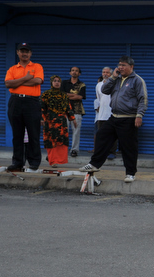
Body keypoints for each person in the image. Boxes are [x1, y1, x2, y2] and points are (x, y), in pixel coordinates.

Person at [80, 55, 147, 183]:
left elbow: (142, 99)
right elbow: (104, 90)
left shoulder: (137, 80)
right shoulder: (115, 79)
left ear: (131, 67)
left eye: (123, 65)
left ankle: (130, 173)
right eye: (119, 65)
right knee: (101, 135)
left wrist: (139, 115)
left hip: (129, 118)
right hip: (114, 117)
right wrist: (113, 77)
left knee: (129, 147)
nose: (120, 67)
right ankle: (95, 164)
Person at [4, 42, 44, 171]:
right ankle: (17, 162)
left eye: (27, 51)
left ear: (30, 53)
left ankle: (34, 162)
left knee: (33, 133)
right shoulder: (12, 69)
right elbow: (7, 84)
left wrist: (17, 82)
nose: (24, 53)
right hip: (15, 102)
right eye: (22, 51)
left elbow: (38, 80)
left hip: (31, 103)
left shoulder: (37, 66)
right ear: (17, 53)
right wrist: (26, 78)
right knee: (17, 134)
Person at [40, 75, 76, 167]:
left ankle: (57, 159)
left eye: (58, 81)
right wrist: (42, 118)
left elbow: (68, 108)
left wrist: (73, 119)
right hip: (50, 121)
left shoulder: (64, 95)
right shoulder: (46, 94)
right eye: (55, 81)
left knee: (61, 140)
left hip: (62, 122)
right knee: (51, 140)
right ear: (51, 82)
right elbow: (42, 108)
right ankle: (53, 161)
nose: (57, 83)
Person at [62, 66, 86, 157]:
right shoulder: (64, 83)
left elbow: (80, 97)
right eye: (72, 70)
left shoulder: (82, 85)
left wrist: (67, 95)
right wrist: (74, 95)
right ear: (70, 73)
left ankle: (74, 150)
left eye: (76, 71)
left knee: (76, 131)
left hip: (77, 111)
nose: (74, 72)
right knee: (64, 131)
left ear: (79, 73)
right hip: (65, 110)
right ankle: (63, 149)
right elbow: (61, 95)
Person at [93, 67, 116, 160]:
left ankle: (112, 152)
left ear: (111, 74)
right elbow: (98, 98)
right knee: (101, 134)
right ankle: (102, 152)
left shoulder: (115, 83)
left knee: (113, 134)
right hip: (102, 114)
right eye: (103, 72)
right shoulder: (99, 85)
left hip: (112, 113)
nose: (105, 74)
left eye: (107, 72)